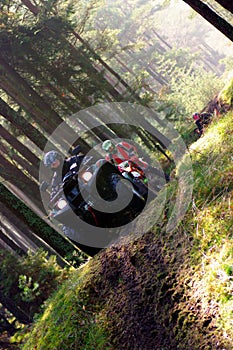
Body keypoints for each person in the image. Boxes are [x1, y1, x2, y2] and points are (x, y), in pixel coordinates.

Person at [102, 139, 169, 181]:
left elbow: (132, 148)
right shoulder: (109, 157)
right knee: (130, 179)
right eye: (109, 149)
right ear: (107, 151)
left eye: (111, 147)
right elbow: (111, 166)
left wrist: (133, 155)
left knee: (148, 168)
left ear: (113, 145)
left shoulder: (121, 145)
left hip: (134, 161)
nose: (111, 149)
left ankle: (167, 177)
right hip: (126, 168)